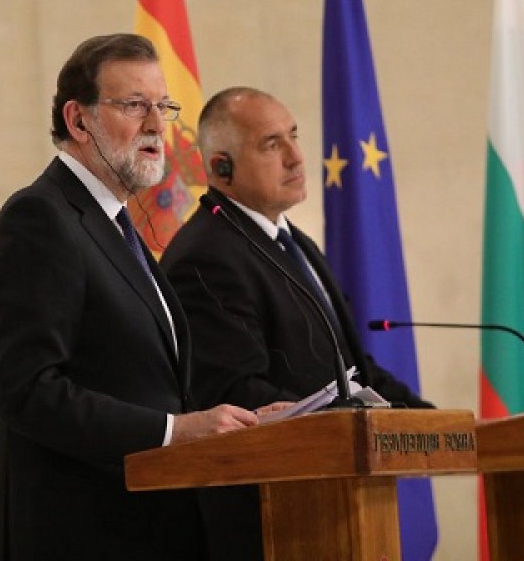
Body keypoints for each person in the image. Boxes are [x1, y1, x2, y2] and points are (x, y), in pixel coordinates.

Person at [0, 34, 263, 561]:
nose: (157, 124)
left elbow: (144, 382)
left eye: (163, 106)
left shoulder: (117, 227)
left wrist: (253, 420)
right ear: (78, 120)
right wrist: (173, 431)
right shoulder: (39, 219)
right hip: (78, 537)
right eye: (134, 105)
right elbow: (28, 391)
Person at [160, 86, 431, 559]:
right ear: (222, 168)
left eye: (293, 136)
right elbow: (236, 393)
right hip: (271, 518)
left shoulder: (296, 244)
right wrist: (343, 422)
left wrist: (434, 423)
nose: (296, 157)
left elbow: (353, 370)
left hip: (334, 502)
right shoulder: (205, 255)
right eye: (271, 144)